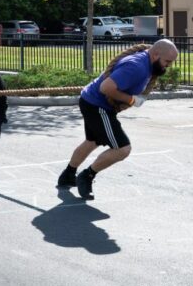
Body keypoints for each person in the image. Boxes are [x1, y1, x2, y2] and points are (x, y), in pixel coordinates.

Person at [57, 39, 178, 200]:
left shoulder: (147, 62)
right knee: (122, 149)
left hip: (91, 101)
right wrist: (131, 100)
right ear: (155, 55)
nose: (168, 65)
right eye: (167, 61)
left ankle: (68, 175)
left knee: (92, 141)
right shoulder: (136, 67)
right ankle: (87, 176)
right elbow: (105, 88)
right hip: (97, 106)